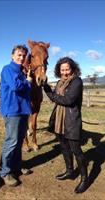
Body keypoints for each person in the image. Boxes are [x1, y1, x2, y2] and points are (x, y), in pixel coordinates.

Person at [44, 57, 88, 193]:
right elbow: (56, 98)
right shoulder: (59, 82)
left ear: (73, 69)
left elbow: (68, 100)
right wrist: (46, 86)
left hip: (72, 121)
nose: (64, 72)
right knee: (64, 147)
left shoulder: (77, 81)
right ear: (59, 70)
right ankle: (70, 171)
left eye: (67, 69)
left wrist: (50, 93)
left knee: (76, 151)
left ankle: (84, 179)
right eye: (62, 70)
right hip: (59, 120)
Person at [0, 44, 32, 186]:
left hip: (22, 110)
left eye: (24, 55)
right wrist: (28, 82)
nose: (22, 57)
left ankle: (16, 167)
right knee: (11, 141)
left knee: (18, 141)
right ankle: (5, 171)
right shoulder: (8, 69)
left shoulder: (21, 72)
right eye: (19, 55)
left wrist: (26, 81)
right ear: (12, 56)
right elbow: (15, 86)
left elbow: (24, 90)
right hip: (12, 111)